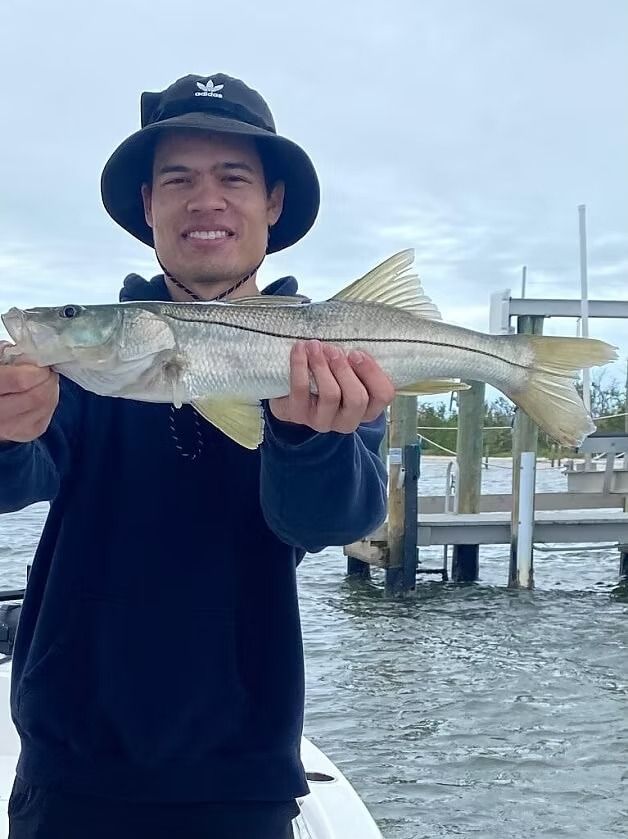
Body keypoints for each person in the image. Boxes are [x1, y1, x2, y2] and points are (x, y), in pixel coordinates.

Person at [0, 73, 395, 839]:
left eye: (232, 177)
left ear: (273, 203)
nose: (204, 199)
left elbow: (327, 518)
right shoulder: (91, 360)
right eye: (177, 179)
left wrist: (310, 434)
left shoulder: (332, 359)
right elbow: (17, 480)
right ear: (148, 206)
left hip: (241, 785)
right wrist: (7, 430)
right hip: (68, 779)